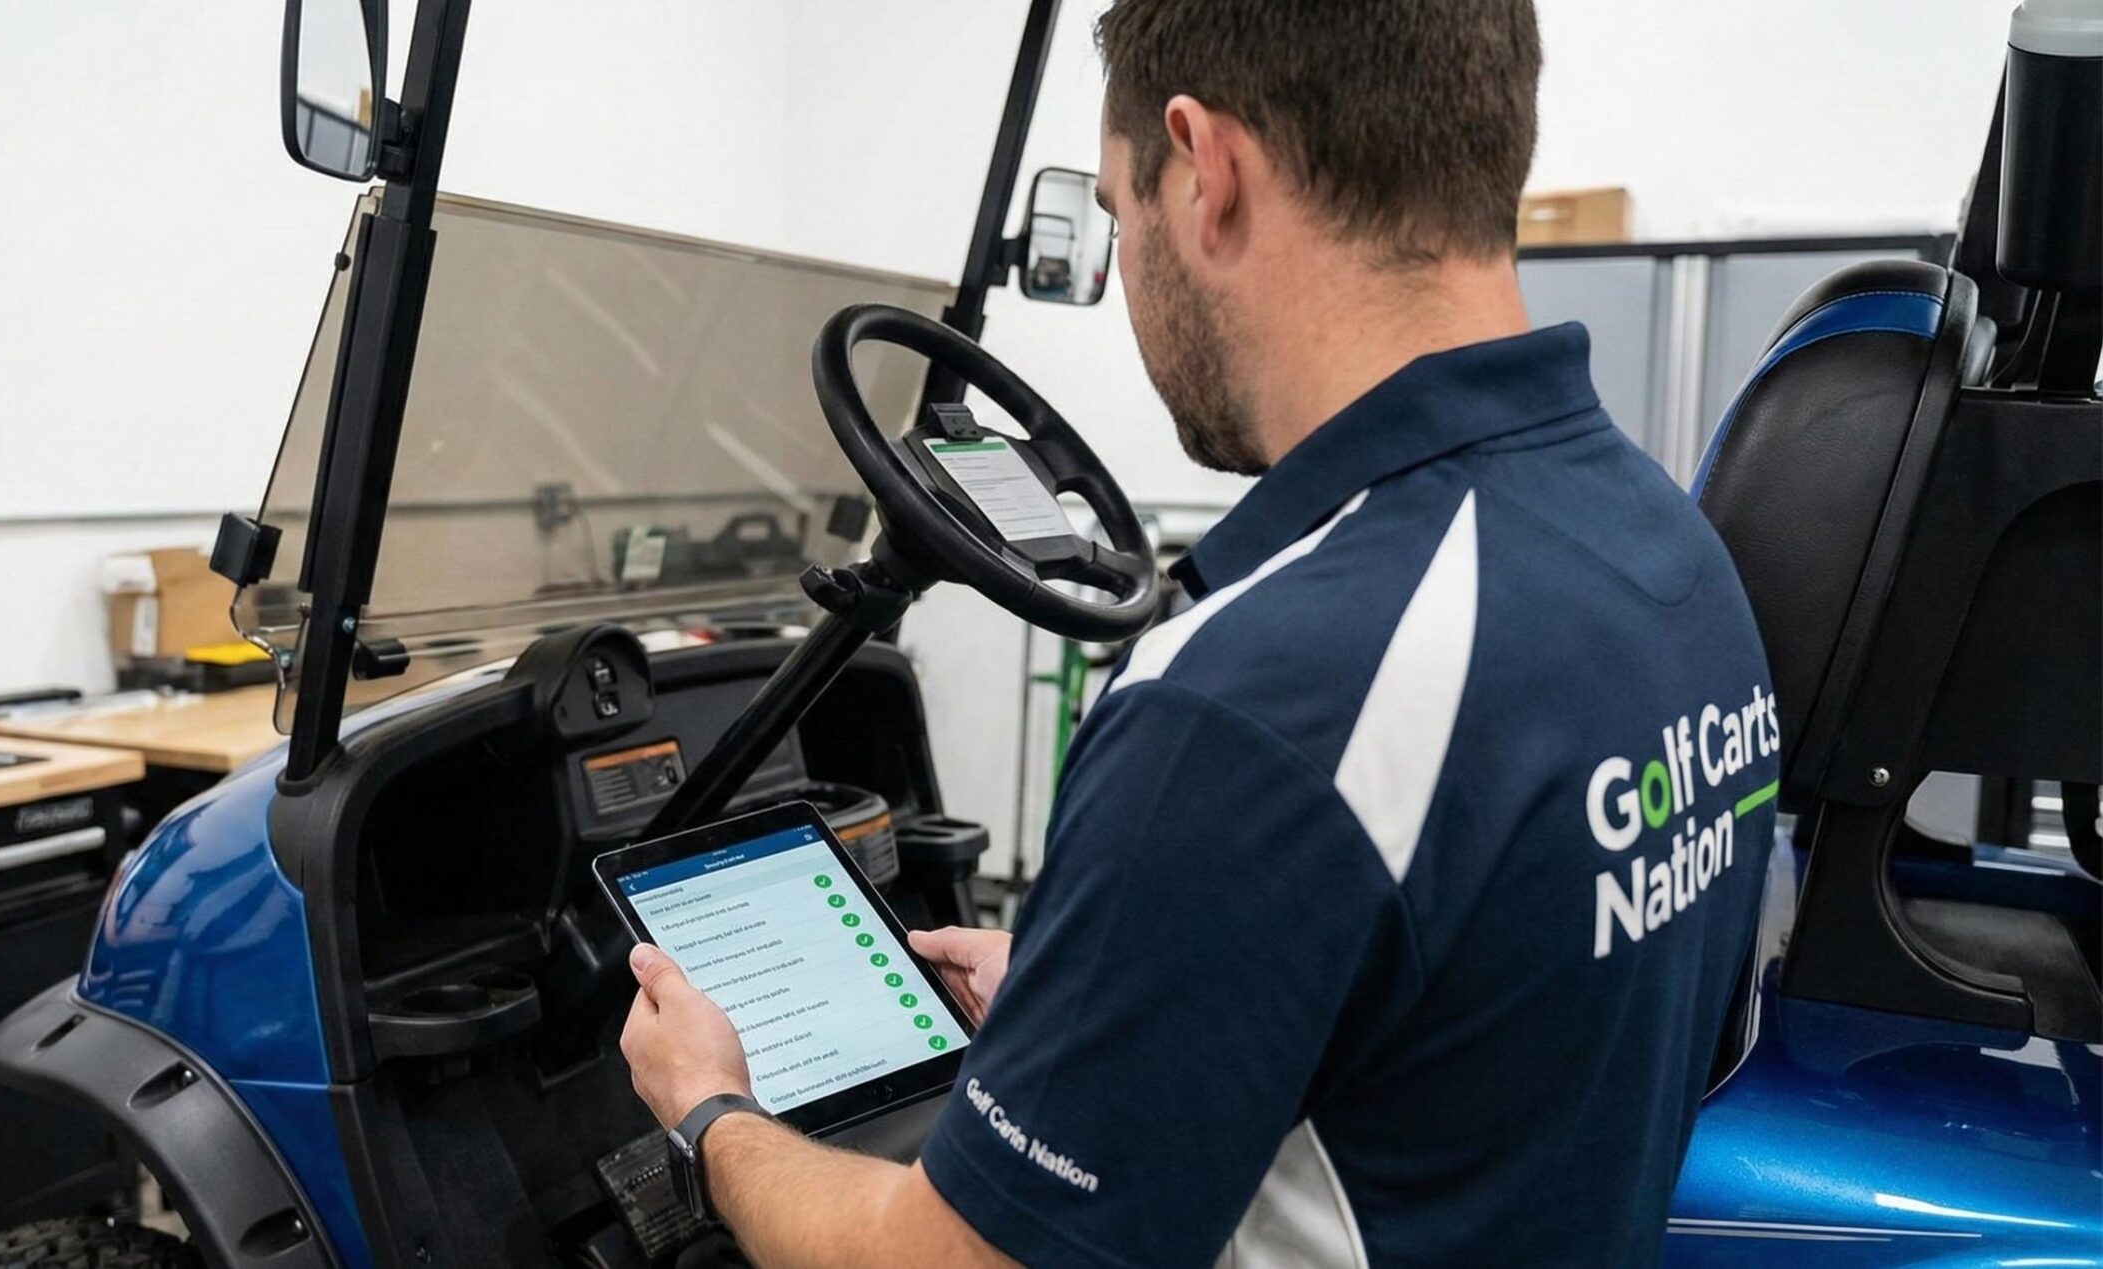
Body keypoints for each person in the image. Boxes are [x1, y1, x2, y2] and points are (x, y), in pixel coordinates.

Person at [620, 0, 1780, 1263]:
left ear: (1204, 168)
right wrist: (1140, 1006)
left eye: (1119, 212)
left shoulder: (1245, 702)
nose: (1125, 272)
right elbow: (1497, 1018)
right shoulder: (1673, 561)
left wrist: (710, 1110)